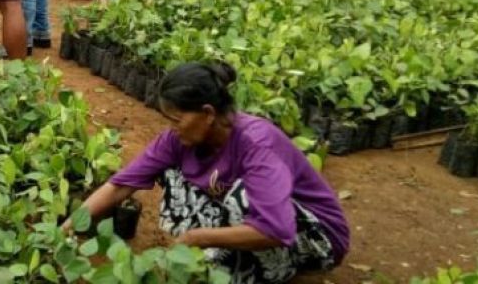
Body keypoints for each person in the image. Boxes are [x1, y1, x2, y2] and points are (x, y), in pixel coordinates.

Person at [67, 63, 349, 283]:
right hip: (260, 221)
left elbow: (277, 228)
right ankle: (233, 263)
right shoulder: (178, 140)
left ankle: (254, 272)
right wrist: (65, 230)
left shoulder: (257, 143)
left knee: (243, 197)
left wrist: (198, 238)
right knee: (175, 178)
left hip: (315, 236)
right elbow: (120, 185)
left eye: (177, 120)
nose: (172, 128)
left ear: (208, 113)